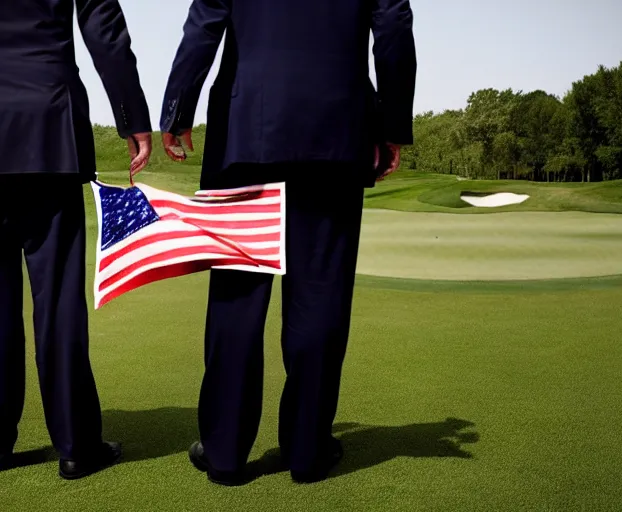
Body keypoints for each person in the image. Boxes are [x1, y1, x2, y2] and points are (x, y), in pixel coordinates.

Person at [160, 0, 416, 485]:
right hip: (336, 130)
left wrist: (177, 110)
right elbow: (394, 24)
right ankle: (307, 450)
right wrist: (391, 126)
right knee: (320, 296)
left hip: (245, 132)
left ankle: (224, 454)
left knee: (236, 300)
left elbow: (204, 22)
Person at [0, 0, 152, 479]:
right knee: (59, 302)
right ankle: (75, 445)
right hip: (49, 127)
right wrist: (133, 119)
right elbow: (104, 30)